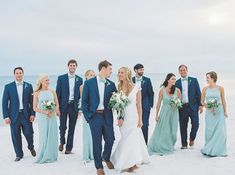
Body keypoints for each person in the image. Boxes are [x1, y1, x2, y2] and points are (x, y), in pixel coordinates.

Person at [111, 67, 149, 173]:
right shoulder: (117, 86)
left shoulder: (136, 86)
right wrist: (119, 118)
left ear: (127, 74)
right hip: (123, 118)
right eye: (118, 72)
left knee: (133, 139)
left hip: (133, 117)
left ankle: (132, 163)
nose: (119, 74)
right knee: (125, 138)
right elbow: (118, 105)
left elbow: (139, 104)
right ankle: (123, 159)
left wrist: (140, 119)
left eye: (122, 72)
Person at [82, 60, 116, 175]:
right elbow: (84, 101)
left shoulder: (111, 84)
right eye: (110, 69)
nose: (111, 71)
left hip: (107, 116)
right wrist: (88, 117)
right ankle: (99, 166)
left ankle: (106, 157)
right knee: (97, 142)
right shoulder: (89, 83)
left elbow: (115, 100)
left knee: (111, 139)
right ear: (103, 68)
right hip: (94, 116)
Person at [2, 67, 36, 161]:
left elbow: (32, 101)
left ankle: (31, 147)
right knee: (15, 136)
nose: (19, 74)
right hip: (13, 116)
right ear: (14, 74)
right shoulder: (8, 87)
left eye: (20, 73)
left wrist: (33, 114)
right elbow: (5, 102)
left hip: (26, 115)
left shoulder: (28, 86)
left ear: (23, 74)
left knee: (29, 133)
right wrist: (6, 116)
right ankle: (19, 154)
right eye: (17, 73)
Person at [148, 73, 181, 155]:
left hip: (174, 112)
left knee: (173, 130)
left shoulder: (177, 90)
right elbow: (158, 103)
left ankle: (170, 145)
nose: (174, 80)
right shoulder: (162, 90)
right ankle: (164, 146)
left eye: (175, 79)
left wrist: (176, 104)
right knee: (165, 130)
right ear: (168, 80)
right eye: (172, 79)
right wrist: (156, 115)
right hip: (164, 112)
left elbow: (180, 102)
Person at [56, 59, 83, 154]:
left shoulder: (80, 79)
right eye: (71, 65)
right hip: (63, 106)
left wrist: (80, 109)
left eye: (74, 65)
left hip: (74, 107)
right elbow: (57, 94)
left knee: (72, 128)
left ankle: (69, 148)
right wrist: (57, 107)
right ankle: (62, 142)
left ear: (76, 67)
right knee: (62, 126)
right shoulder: (61, 78)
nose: (72, 67)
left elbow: (80, 96)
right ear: (68, 66)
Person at [33, 74, 60, 163]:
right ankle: (43, 154)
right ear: (41, 82)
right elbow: (34, 108)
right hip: (42, 117)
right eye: (46, 80)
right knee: (44, 135)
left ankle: (52, 155)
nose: (48, 82)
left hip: (52, 116)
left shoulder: (52, 91)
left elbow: (56, 104)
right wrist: (44, 112)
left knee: (52, 135)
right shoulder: (36, 93)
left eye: (48, 80)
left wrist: (54, 111)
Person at [200, 71, 228, 157]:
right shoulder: (205, 89)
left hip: (219, 112)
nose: (206, 79)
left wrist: (225, 111)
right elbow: (201, 101)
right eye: (206, 78)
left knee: (220, 131)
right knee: (210, 131)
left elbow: (223, 100)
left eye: (208, 77)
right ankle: (209, 149)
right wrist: (208, 107)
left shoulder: (220, 88)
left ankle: (220, 150)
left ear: (213, 78)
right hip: (209, 113)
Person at [175, 65, 203, 149]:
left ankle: (191, 139)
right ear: (179, 72)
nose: (182, 71)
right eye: (181, 70)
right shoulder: (177, 82)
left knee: (196, 124)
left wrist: (200, 105)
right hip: (182, 107)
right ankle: (184, 144)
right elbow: (174, 95)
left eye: (184, 70)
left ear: (187, 70)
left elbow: (198, 93)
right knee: (183, 126)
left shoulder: (194, 80)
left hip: (193, 106)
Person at [132, 64, 154, 144]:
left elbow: (151, 93)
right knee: (134, 125)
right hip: (133, 107)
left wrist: (150, 105)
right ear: (135, 70)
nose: (142, 71)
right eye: (140, 70)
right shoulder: (131, 80)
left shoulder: (147, 80)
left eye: (143, 69)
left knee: (144, 125)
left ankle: (144, 144)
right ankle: (136, 144)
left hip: (145, 106)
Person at [79, 70, 96, 163]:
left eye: (93, 75)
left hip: (95, 112)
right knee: (87, 133)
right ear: (86, 76)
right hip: (87, 112)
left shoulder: (96, 85)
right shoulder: (82, 86)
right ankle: (86, 154)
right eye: (90, 75)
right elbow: (83, 100)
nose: (92, 76)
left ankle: (93, 154)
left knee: (94, 133)